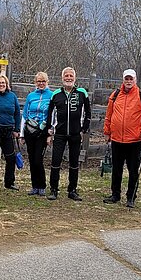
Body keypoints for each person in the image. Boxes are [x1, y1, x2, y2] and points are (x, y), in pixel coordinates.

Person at [103, 69, 141, 208]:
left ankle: (131, 197)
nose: (129, 81)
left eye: (131, 79)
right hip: (117, 139)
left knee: (133, 170)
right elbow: (109, 114)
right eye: (126, 79)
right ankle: (115, 195)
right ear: (123, 80)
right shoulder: (116, 94)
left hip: (134, 141)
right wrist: (107, 131)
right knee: (117, 169)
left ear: (135, 80)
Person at [46, 67, 91, 201]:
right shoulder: (56, 94)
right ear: (62, 78)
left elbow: (88, 113)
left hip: (76, 134)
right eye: (66, 76)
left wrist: (84, 130)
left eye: (71, 76)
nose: (69, 78)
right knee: (55, 161)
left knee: (74, 162)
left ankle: (72, 190)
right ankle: (54, 189)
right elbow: (50, 114)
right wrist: (49, 131)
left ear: (75, 78)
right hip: (59, 134)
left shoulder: (82, 93)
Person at [20, 72, 53, 196]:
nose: (41, 83)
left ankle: (42, 185)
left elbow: (52, 114)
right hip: (30, 131)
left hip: (42, 132)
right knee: (31, 158)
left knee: (38, 159)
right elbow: (25, 114)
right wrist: (22, 134)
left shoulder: (51, 95)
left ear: (47, 82)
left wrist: (50, 133)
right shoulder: (31, 96)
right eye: (39, 81)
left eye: (43, 81)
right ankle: (34, 186)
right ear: (35, 82)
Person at [0, 74, 21, 192]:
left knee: (11, 158)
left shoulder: (12, 96)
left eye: (3, 83)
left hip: (8, 131)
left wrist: (17, 129)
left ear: (7, 85)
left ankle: (9, 182)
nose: (1, 85)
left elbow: (17, 113)